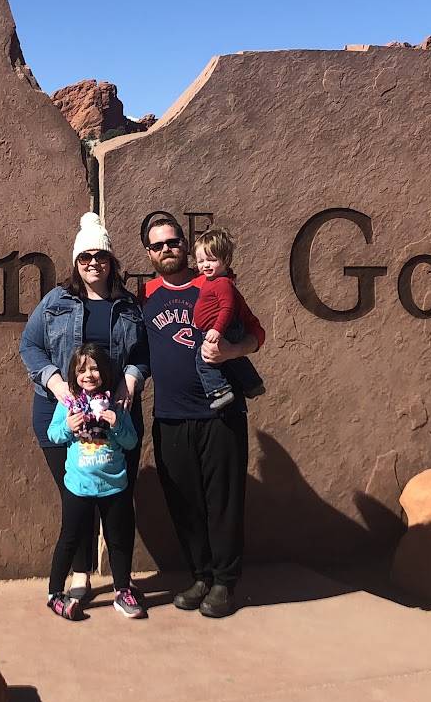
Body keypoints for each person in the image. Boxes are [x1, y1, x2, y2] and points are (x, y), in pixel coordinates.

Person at [19, 212, 148, 601]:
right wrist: (56, 383)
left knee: (114, 496)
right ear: (76, 262)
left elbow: (143, 354)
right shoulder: (56, 302)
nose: (94, 263)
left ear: (112, 261)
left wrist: (129, 381)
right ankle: (80, 572)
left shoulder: (128, 306)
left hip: (117, 414)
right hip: (58, 412)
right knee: (75, 496)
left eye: (101, 256)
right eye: (86, 256)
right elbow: (30, 346)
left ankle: (122, 583)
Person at [140, 214, 263, 618]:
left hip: (219, 415)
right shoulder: (144, 295)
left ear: (184, 244)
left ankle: (226, 582)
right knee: (185, 503)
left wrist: (230, 351)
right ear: (149, 253)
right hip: (171, 417)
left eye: (173, 242)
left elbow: (256, 334)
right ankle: (201, 576)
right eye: (158, 246)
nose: (167, 250)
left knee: (223, 501)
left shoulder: (215, 285)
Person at [43, 345, 145, 620]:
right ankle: (55, 594)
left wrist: (116, 424)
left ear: (105, 372)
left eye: (95, 368)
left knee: (118, 540)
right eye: (82, 370)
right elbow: (53, 435)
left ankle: (122, 590)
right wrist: (68, 426)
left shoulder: (115, 403)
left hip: (114, 485)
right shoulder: (67, 404)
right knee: (70, 538)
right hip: (80, 485)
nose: (89, 375)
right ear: (73, 375)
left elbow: (131, 441)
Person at [192, 227, 267, 410]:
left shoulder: (223, 283)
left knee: (204, 360)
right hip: (217, 329)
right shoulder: (209, 281)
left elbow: (227, 307)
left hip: (222, 329)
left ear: (226, 260)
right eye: (201, 261)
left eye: (211, 260)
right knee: (235, 359)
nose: (205, 265)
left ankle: (220, 390)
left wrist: (217, 329)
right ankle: (252, 384)